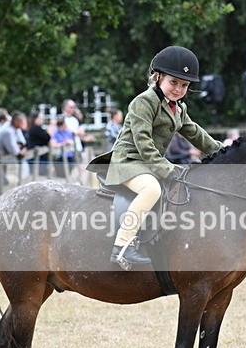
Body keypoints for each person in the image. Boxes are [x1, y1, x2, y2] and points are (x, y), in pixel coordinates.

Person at [88, 45, 223, 268]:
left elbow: (197, 134)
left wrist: (225, 151)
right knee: (151, 189)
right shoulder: (144, 101)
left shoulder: (178, 108)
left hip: (147, 164)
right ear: (157, 77)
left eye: (185, 85)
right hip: (129, 162)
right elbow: (143, 143)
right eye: (174, 82)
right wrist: (167, 169)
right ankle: (122, 246)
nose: (179, 89)